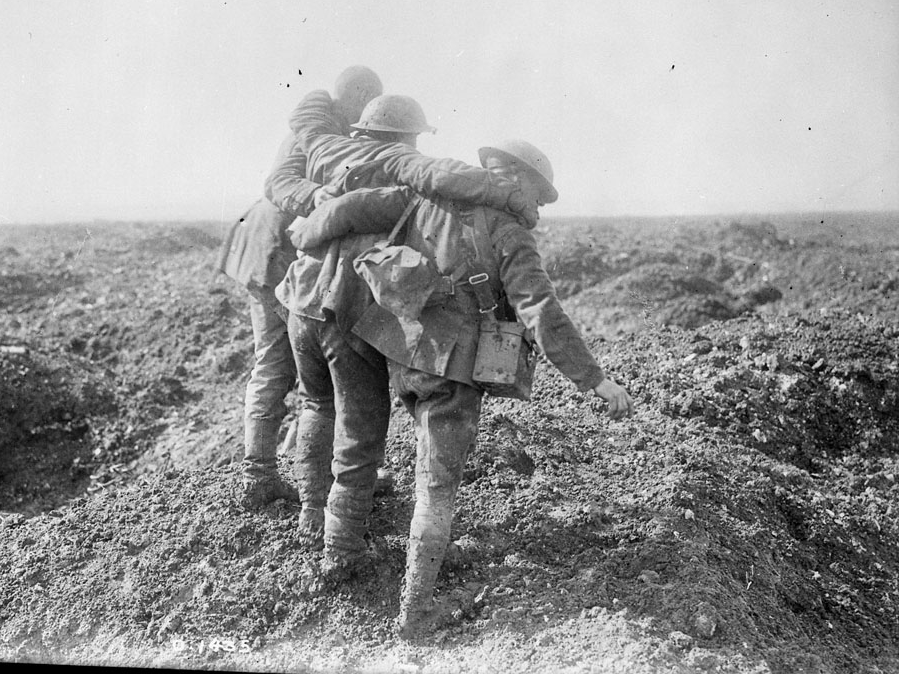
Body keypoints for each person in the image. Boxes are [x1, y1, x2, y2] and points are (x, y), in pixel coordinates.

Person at [288, 138, 635, 638]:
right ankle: (415, 612)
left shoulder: (425, 198)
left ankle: (338, 557)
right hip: (454, 370)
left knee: (396, 457)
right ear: (519, 182)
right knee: (437, 485)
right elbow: (541, 313)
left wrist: (305, 229)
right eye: (538, 195)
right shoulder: (511, 232)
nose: (537, 207)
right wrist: (595, 380)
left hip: (402, 351)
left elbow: (351, 209)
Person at [265, 89, 538, 567]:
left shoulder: (330, 149)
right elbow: (443, 176)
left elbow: (308, 133)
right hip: (343, 309)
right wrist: (513, 198)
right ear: (408, 137)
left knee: (315, 404)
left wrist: (305, 227)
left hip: (298, 301)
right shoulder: (398, 164)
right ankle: (342, 549)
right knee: (360, 428)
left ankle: (313, 515)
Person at [214, 66, 383, 509]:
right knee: (281, 362)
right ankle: (260, 475)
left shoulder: (334, 129)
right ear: (355, 97)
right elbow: (278, 183)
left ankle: (307, 471)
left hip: (283, 252)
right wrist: (317, 198)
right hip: (273, 253)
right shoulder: (310, 133)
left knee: (304, 364)